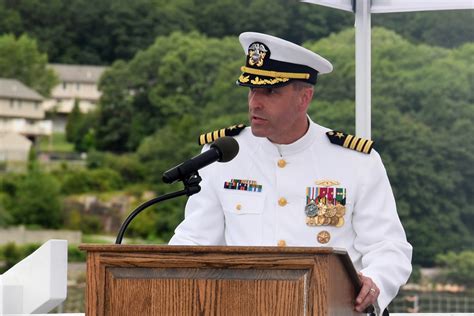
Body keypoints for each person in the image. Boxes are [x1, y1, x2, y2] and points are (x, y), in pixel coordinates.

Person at [169, 32, 412, 315]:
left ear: (304, 97)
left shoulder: (356, 161)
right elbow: (195, 241)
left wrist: (376, 280)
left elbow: (388, 245)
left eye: (270, 92)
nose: (254, 102)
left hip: (328, 309)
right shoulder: (222, 154)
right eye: (251, 89)